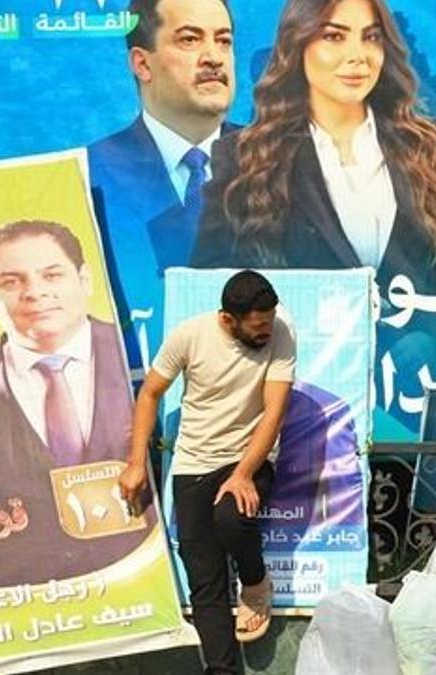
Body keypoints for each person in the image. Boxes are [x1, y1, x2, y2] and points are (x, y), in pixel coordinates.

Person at [0, 220, 152, 590]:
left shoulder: (141, 358)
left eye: (52, 275)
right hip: (29, 614)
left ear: (84, 280)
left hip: (144, 594)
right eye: (11, 281)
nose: (35, 293)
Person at [191, 0, 436, 306]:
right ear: (299, 44)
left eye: (371, 37)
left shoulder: (423, 145)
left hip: (416, 352)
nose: (357, 57)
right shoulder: (244, 157)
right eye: (334, 36)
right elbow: (209, 288)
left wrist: (427, 340)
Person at [119, 270, 295, 674]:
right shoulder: (189, 335)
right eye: (257, 326)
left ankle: (255, 581)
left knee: (232, 518)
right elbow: (149, 393)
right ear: (228, 319)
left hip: (250, 458)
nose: (266, 331)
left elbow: (274, 411)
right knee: (204, 573)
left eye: (269, 321)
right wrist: (135, 463)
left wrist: (245, 473)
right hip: (195, 462)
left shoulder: (281, 331)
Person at [87, 0, 239, 377]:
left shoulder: (285, 165)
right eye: (190, 40)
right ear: (142, 64)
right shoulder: (88, 176)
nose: (213, 58)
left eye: (223, 41)